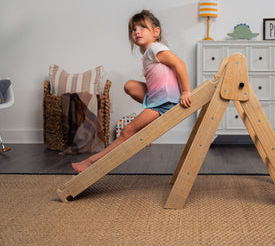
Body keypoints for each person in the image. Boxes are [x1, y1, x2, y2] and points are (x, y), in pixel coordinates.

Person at [72, 10, 192, 172]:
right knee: (129, 85)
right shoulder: (149, 52)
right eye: (133, 29)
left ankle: (93, 162)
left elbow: (180, 64)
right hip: (161, 99)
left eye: (143, 27)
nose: (137, 32)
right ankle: (151, 111)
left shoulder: (155, 48)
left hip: (166, 103)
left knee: (128, 130)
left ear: (156, 32)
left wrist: (186, 91)